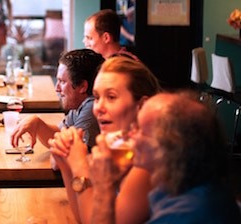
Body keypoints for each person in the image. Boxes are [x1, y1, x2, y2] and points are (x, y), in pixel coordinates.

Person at [89, 91, 241, 223]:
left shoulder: (187, 214)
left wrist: (104, 186)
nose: (131, 135)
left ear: (169, 147)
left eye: (140, 129)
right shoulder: (176, 186)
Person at [49, 56, 161, 224]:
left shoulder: (146, 164)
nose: (98, 108)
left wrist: (80, 166)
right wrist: (66, 165)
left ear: (141, 106)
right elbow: (85, 218)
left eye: (111, 97)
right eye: (96, 97)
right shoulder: (119, 149)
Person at [10, 49, 103, 153]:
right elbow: (59, 134)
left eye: (62, 82)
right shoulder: (79, 103)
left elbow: (71, 154)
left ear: (82, 86)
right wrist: (38, 123)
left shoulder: (91, 107)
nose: (57, 88)